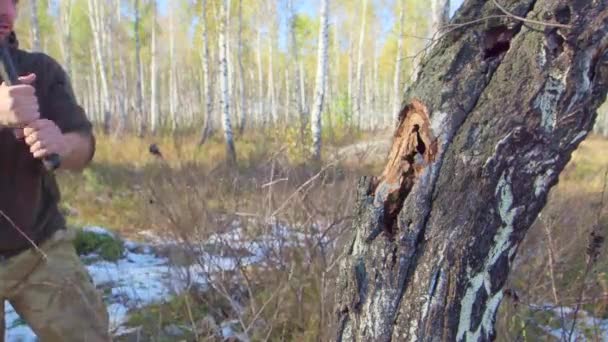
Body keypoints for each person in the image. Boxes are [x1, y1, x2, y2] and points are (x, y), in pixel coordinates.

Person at [0, 0, 111, 341]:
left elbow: (84, 143)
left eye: (12, 1)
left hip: (39, 246)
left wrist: (63, 146)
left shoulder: (40, 70)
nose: (5, 11)